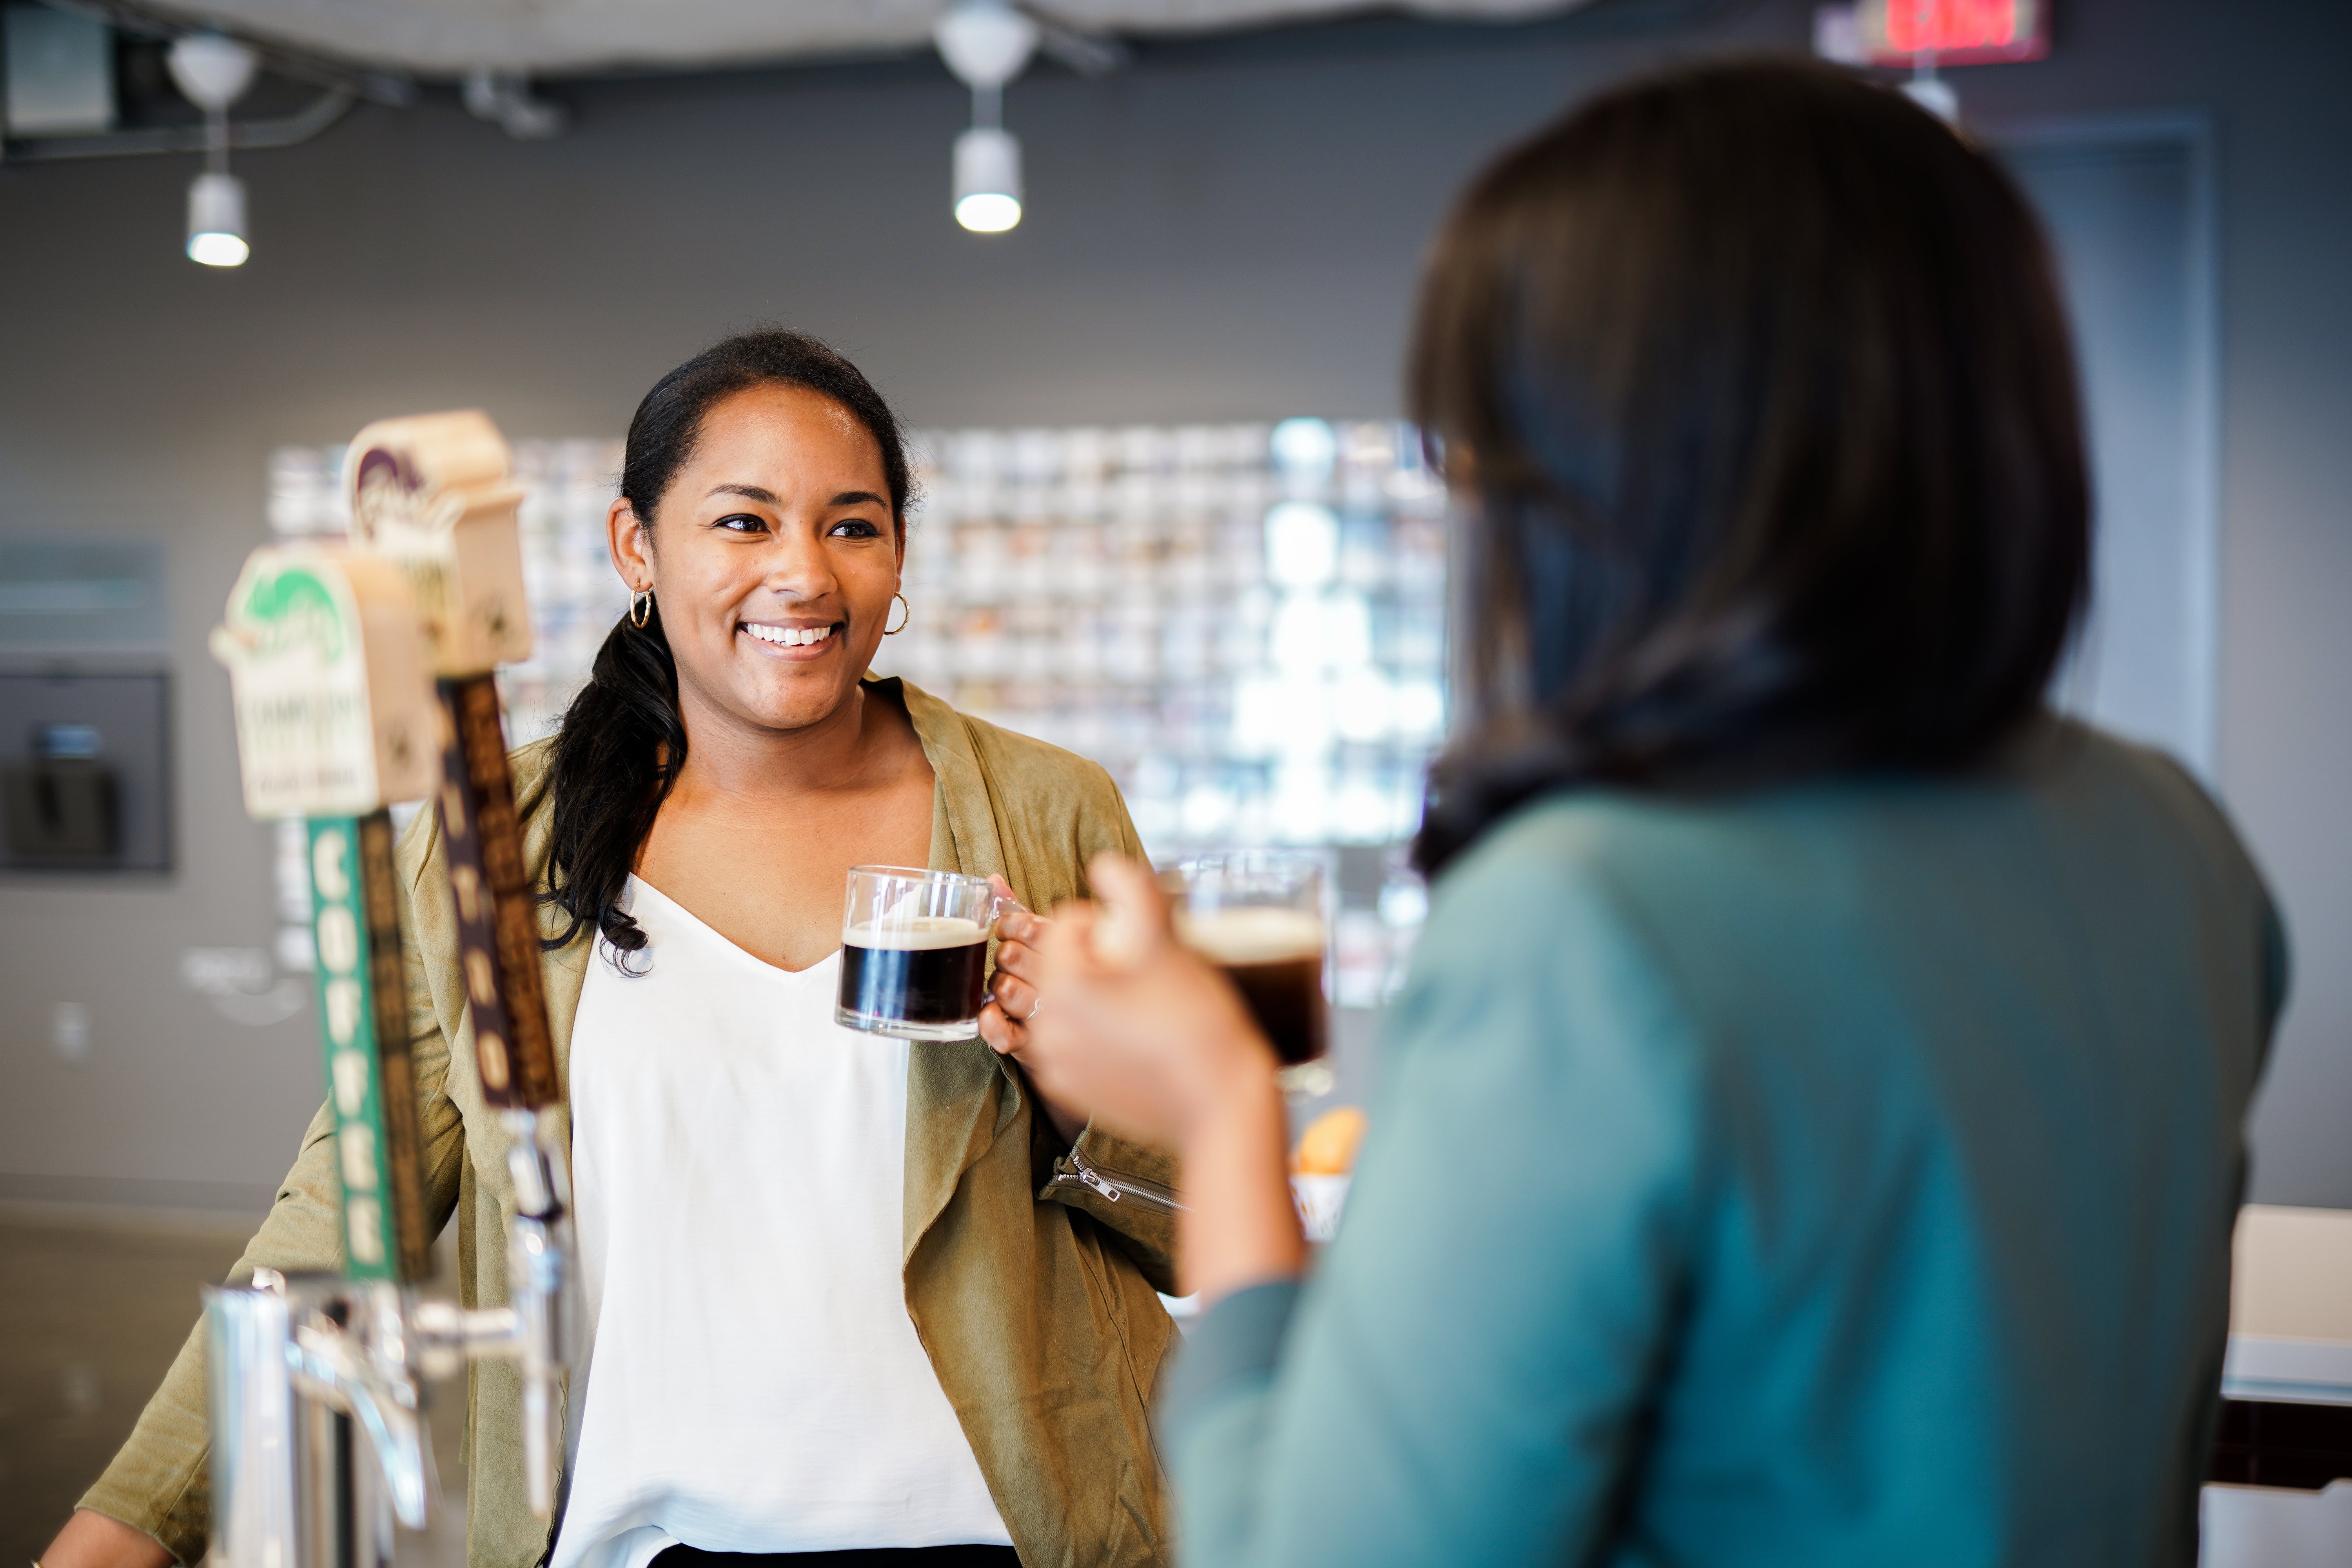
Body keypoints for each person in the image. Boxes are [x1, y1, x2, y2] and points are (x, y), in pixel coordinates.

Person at [1006, 60, 2287, 1568]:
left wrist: (1218, 1107)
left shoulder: (1588, 917)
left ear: (1605, 474)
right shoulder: (2172, 844)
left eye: (1477, 449)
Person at [48, 330, 1179, 1568]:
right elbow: (341, 1209)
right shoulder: (501, 840)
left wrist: (1081, 1095)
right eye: (743, 523)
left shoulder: (1046, 810)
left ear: (897, 555)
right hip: (638, 1548)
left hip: (1011, 1537)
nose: (804, 575)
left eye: (853, 527)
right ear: (636, 546)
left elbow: (1193, 1209)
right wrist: (121, 1534)